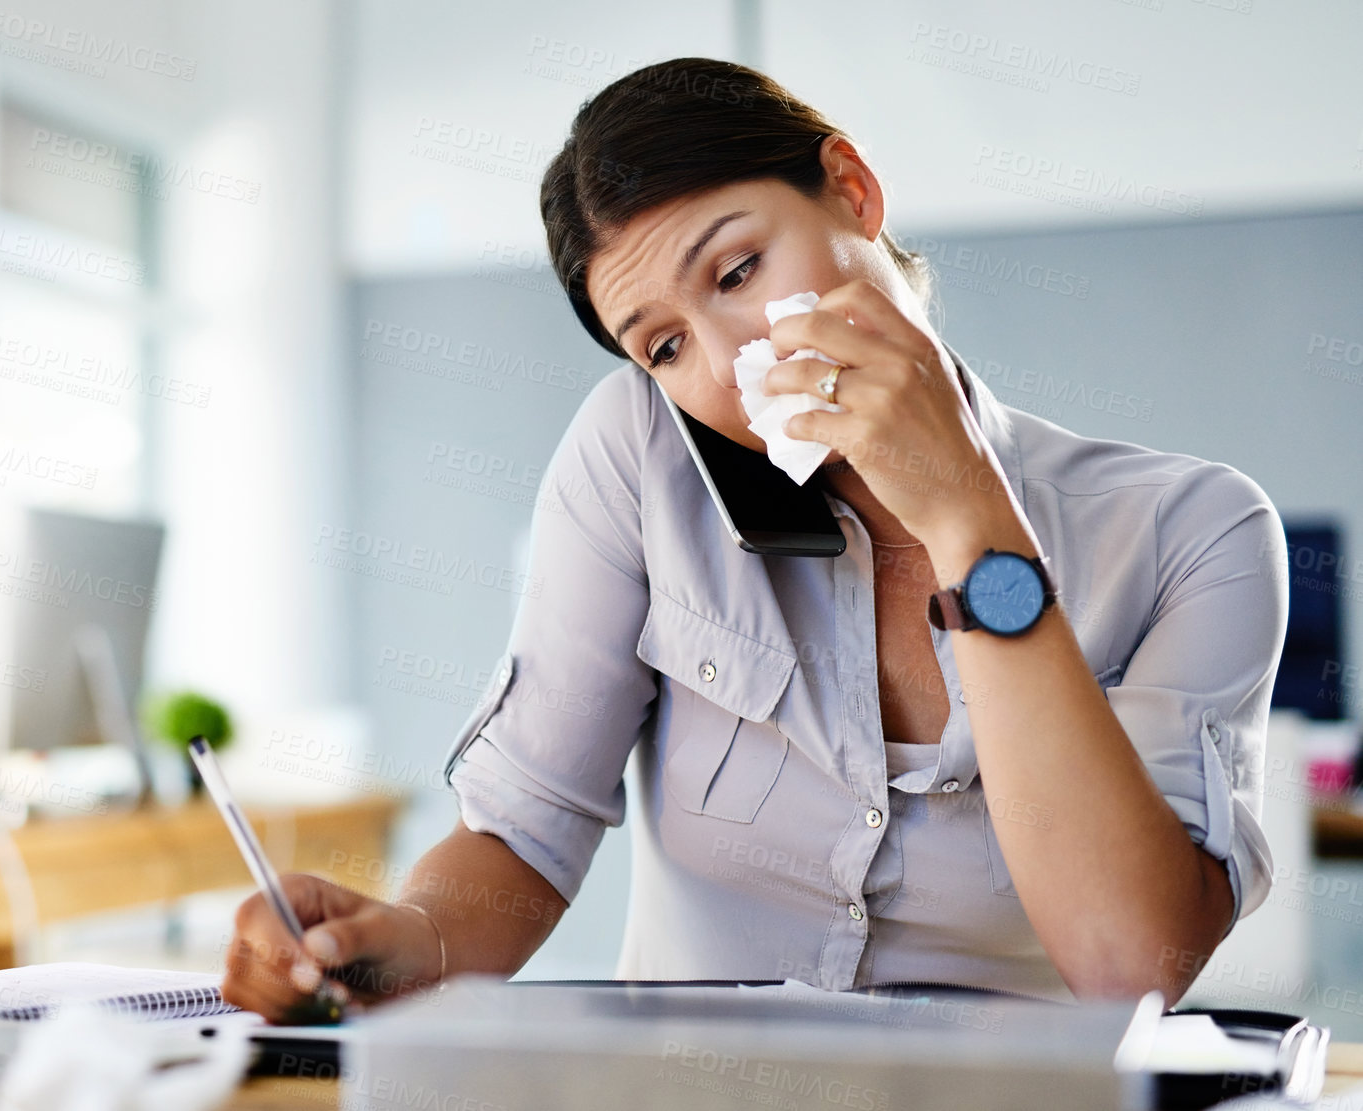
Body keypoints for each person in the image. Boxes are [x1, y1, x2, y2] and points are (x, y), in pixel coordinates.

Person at [219, 58, 1287, 1019]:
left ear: (853, 192)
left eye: (736, 272)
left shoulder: (1194, 530)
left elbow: (1127, 960)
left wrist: (967, 514)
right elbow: (523, 837)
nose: (727, 364)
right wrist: (395, 942)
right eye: (667, 345)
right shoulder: (639, 455)